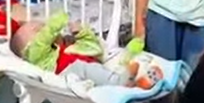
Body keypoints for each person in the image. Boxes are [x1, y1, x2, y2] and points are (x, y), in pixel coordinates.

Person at [9, 12, 160, 89]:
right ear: (26, 49)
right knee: (94, 71)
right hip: (72, 72)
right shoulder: (38, 57)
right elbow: (41, 41)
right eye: (37, 30)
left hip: (92, 67)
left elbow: (93, 47)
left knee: (114, 62)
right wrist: (57, 20)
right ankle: (123, 82)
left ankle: (138, 82)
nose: (43, 28)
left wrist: (81, 33)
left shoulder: (67, 45)